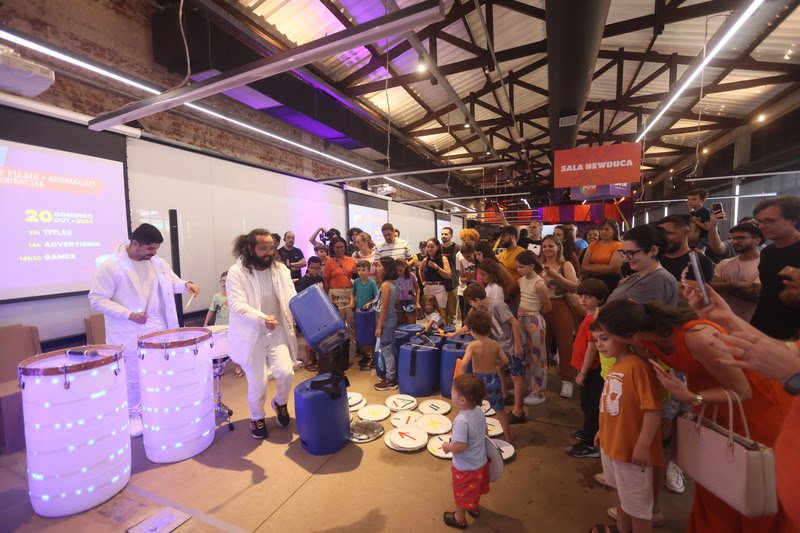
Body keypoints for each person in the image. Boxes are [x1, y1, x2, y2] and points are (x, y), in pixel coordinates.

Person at [593, 299, 792, 533]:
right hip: (709, 406)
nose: (601, 342)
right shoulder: (645, 340)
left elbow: (743, 391)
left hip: (750, 409)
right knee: (715, 483)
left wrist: (691, 397)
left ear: (630, 336)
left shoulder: (697, 337)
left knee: (747, 481)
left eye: (607, 336)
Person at [89, 223, 200, 437]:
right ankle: (133, 415)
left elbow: (172, 283)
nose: (154, 253)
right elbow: (97, 300)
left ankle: (156, 407)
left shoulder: (158, 263)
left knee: (160, 370)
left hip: (157, 326)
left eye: (156, 248)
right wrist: (128, 314)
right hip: (128, 329)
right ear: (135, 243)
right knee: (133, 375)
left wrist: (186, 285)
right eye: (150, 248)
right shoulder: (111, 266)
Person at [590, 321, 664, 533]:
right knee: (623, 497)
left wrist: (643, 445)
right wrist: (602, 430)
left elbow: (653, 409)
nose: (599, 345)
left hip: (632, 453)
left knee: (639, 510)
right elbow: (615, 407)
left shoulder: (637, 367)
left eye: (604, 338)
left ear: (623, 336)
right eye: (596, 340)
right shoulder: (618, 365)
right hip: (615, 447)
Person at [226, 229, 298, 440]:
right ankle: (257, 417)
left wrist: (304, 308)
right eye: (263, 248)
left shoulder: (280, 269)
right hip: (252, 335)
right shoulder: (236, 272)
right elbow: (237, 305)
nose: (269, 253)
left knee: (286, 372)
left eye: (271, 248)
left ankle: (280, 403)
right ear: (250, 248)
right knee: (258, 382)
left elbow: (291, 295)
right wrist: (262, 318)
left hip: (277, 332)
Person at [565, 279, 609, 458]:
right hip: (586, 369)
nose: (583, 299)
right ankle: (587, 431)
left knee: (591, 407)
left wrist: (583, 372)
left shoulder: (594, 320)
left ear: (600, 299)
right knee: (587, 405)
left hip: (591, 370)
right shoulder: (590, 316)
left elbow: (592, 348)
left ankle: (591, 444)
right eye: (581, 295)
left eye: (589, 297)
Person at [441, 373, 490, 530]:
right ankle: (474, 508)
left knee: (461, 494)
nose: (451, 392)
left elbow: (460, 446)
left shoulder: (461, 420)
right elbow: (486, 432)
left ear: (462, 400)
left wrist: (448, 447)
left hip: (465, 468)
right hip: (480, 463)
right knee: (475, 488)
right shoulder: (479, 411)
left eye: (453, 391)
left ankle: (459, 519)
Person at [457, 305, 513, 441]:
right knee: (500, 410)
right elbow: (505, 360)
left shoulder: (472, 346)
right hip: (493, 380)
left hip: (478, 382)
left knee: (477, 411)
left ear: (472, 330)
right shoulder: (494, 344)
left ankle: (485, 437)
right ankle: (508, 437)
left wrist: (461, 379)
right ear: (488, 329)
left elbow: (463, 364)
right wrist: (497, 366)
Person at [750, 195, 800, 339]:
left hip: (791, 333)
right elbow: (768, 290)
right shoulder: (767, 252)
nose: (761, 226)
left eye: (770, 221)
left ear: (793, 220)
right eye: (759, 222)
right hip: (763, 325)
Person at [539, 234, 579, 398]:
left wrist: (556, 276)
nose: (547, 249)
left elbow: (574, 287)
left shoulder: (565, 264)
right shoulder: (539, 265)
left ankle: (567, 379)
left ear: (558, 247)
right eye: (544, 246)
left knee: (565, 344)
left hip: (561, 304)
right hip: (540, 306)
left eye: (550, 246)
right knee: (542, 344)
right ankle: (541, 377)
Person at [607, 225, 678, 306]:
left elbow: (629, 312)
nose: (625, 259)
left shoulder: (659, 280)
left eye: (630, 253)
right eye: (624, 253)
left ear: (653, 251)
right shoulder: (637, 276)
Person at [516, 250, 552, 407]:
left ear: (531, 266)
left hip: (534, 321)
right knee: (526, 355)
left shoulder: (539, 283)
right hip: (522, 320)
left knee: (538, 356)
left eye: (522, 267)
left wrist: (532, 314)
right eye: (517, 267)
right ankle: (527, 386)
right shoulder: (520, 280)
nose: (519, 270)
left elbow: (548, 307)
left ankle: (538, 391)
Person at [710, 223, 763, 322]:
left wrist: (723, 286)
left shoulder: (764, 265)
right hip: (723, 318)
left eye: (740, 238)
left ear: (757, 240)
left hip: (750, 322)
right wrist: (736, 285)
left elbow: (755, 295)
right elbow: (710, 285)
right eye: (733, 238)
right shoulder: (725, 263)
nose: (735, 241)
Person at [204, 270, 242, 378]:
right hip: (220, 327)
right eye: (223, 281)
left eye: (227, 281)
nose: (225, 283)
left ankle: (238, 367)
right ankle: (220, 367)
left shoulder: (236, 296)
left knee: (235, 347)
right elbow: (211, 310)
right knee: (220, 347)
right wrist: (206, 323)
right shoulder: (217, 297)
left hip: (233, 326)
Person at [323, 235, 357, 353]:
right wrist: (327, 295)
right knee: (339, 321)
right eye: (337, 247)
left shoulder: (351, 260)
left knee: (351, 319)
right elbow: (326, 280)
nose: (340, 249)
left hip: (350, 292)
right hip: (335, 293)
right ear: (332, 248)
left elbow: (355, 277)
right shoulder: (329, 262)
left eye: (342, 246)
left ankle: (354, 345)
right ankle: (339, 346)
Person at [657, 214, 715, 284]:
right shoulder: (654, 259)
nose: (663, 238)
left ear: (685, 233)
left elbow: (699, 289)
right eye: (661, 234)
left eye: (669, 233)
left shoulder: (702, 262)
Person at [374, 256, 400, 391]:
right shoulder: (394, 284)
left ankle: (390, 379)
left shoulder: (385, 285)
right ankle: (393, 374)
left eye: (379, 266)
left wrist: (379, 326)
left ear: (386, 269)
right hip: (391, 318)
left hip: (385, 320)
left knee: (386, 349)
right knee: (390, 347)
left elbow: (384, 307)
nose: (377, 268)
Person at [294, 256, 324, 371]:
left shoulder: (320, 278)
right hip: (308, 313)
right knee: (309, 338)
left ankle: (317, 359)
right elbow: (301, 300)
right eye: (312, 268)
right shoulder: (303, 282)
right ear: (308, 267)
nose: (315, 271)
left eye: (317, 268)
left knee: (318, 337)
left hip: (320, 311)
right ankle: (309, 361)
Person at [581, 218, 624, 292]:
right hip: (592, 280)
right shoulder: (592, 245)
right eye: (601, 229)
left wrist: (589, 268)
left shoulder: (618, 245)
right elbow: (584, 266)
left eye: (607, 229)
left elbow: (614, 269)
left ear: (614, 231)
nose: (603, 232)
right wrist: (606, 267)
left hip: (611, 281)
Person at [351, 259, 379, 370]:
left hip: (370, 313)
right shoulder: (356, 282)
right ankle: (367, 355)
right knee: (362, 333)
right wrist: (352, 301)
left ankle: (373, 356)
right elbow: (353, 293)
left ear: (368, 271)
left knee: (370, 333)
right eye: (359, 270)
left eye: (363, 270)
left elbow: (377, 297)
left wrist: (370, 303)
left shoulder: (372, 283)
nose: (361, 272)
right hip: (359, 312)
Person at [419, 237, 452, 311]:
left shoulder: (443, 258)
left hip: (440, 288)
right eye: (428, 247)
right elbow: (420, 270)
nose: (429, 249)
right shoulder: (425, 260)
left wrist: (436, 267)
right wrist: (423, 281)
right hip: (428, 287)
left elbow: (448, 275)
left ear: (437, 247)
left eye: (432, 247)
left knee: (440, 311)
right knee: (429, 311)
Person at [441, 227, 461, 327]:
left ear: (451, 236)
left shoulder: (458, 248)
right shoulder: (438, 248)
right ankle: (442, 330)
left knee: (452, 310)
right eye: (442, 234)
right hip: (441, 283)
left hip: (454, 282)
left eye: (446, 234)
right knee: (442, 310)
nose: (443, 236)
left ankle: (451, 329)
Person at [456, 242, 477, 325]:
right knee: (466, 313)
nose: (466, 259)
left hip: (479, 289)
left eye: (468, 256)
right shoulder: (462, 260)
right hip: (469, 288)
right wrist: (469, 278)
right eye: (464, 256)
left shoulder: (478, 260)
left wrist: (470, 277)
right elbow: (462, 279)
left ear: (474, 252)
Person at [395, 258, 419, 325]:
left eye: (401, 270)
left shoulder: (411, 276)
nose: (399, 273)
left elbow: (417, 288)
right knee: (400, 324)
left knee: (412, 324)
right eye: (397, 271)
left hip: (410, 302)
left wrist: (417, 301)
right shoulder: (394, 278)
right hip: (398, 303)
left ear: (405, 267)